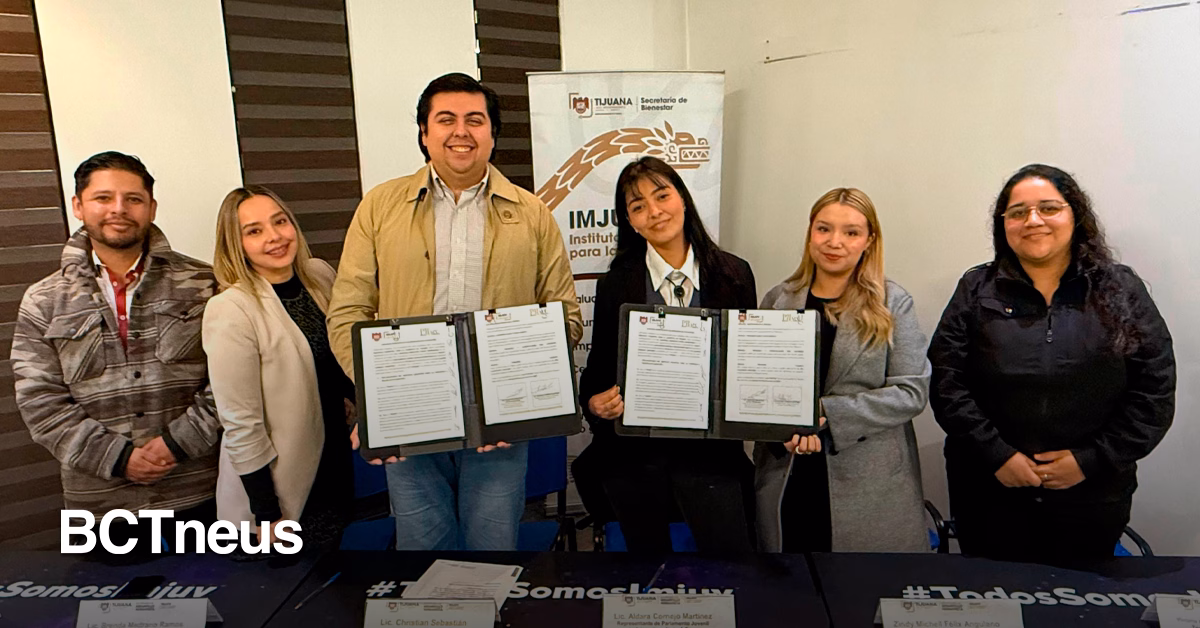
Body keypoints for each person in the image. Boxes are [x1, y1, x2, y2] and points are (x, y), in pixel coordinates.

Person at [327, 72, 582, 551]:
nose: (460, 131)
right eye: (445, 120)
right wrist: (381, 392)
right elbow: (347, 312)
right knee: (423, 551)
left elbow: (565, 316)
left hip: (499, 427)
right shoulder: (379, 207)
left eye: (474, 120)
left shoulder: (532, 214)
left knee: (492, 549)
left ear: (492, 133)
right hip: (410, 412)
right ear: (425, 133)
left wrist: (514, 396)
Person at [928, 164, 1175, 562]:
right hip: (989, 491)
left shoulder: (1121, 290)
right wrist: (999, 456)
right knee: (993, 602)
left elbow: (1154, 390)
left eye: (1048, 208)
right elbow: (946, 382)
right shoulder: (975, 289)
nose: (1033, 221)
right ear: (1003, 224)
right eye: (1018, 212)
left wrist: (1091, 460)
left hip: (1093, 493)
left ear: (1075, 215)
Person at [10, 151, 220, 548]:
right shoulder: (43, 299)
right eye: (103, 198)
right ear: (78, 205)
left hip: (199, 496)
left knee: (221, 604)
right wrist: (119, 458)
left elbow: (231, 382)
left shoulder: (205, 283)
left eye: (133, 199)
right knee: (109, 609)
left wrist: (177, 444)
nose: (119, 209)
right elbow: (40, 401)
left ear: (152, 207)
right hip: (98, 509)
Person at [577, 156, 757, 552]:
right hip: (636, 457)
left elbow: (747, 367)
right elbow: (596, 375)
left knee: (731, 576)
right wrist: (595, 402)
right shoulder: (615, 284)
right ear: (630, 221)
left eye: (662, 195)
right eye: (638, 206)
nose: (654, 212)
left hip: (713, 458)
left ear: (684, 199)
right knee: (648, 582)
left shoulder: (735, 275)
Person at [753, 188, 931, 553]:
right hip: (788, 473)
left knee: (860, 597)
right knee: (789, 595)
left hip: (869, 483)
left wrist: (825, 414)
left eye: (851, 232)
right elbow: (754, 384)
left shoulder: (893, 303)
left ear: (869, 240)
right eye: (824, 229)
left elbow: (911, 392)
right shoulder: (778, 299)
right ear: (810, 233)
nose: (835, 242)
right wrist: (778, 428)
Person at [203, 186, 354, 551]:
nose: (274, 237)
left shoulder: (319, 276)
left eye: (280, 222)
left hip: (333, 465)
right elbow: (241, 422)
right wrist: (268, 514)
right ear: (236, 244)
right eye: (254, 231)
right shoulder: (231, 308)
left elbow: (337, 363)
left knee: (333, 591)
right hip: (279, 489)